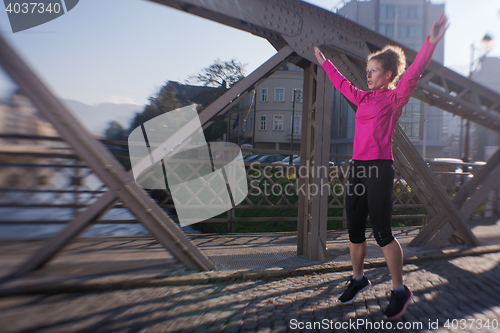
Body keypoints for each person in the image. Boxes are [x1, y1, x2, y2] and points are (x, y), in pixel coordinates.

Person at [314, 13, 448, 320]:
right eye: (368, 70)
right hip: (357, 168)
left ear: (387, 75)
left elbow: (413, 72)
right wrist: (324, 62)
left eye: (374, 71)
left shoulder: (395, 97)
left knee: (382, 232)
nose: (368, 74)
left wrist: (431, 41)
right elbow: (341, 83)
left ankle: (400, 290)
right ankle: (359, 279)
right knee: (355, 229)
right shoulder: (362, 98)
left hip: (379, 168)